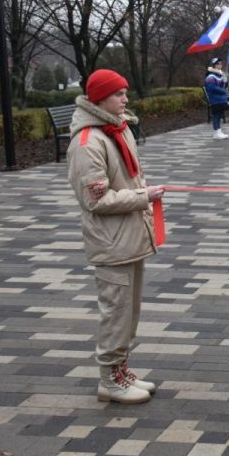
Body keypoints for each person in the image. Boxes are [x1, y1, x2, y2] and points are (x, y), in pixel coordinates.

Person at [67, 70, 164, 404]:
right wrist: (144, 197)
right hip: (111, 242)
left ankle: (121, 368)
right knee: (116, 311)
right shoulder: (88, 142)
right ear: (100, 99)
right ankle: (109, 377)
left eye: (125, 93)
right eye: (119, 94)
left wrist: (143, 197)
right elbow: (95, 200)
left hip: (129, 237)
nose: (125, 99)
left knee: (129, 311)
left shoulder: (115, 131)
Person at [204, 57, 229, 140]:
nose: (220, 65)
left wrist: (225, 81)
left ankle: (219, 131)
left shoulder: (219, 74)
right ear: (214, 65)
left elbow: (224, 86)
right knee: (216, 115)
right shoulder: (211, 76)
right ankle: (216, 132)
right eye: (218, 64)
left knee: (219, 115)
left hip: (220, 99)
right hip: (215, 99)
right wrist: (223, 91)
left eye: (221, 64)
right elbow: (212, 87)